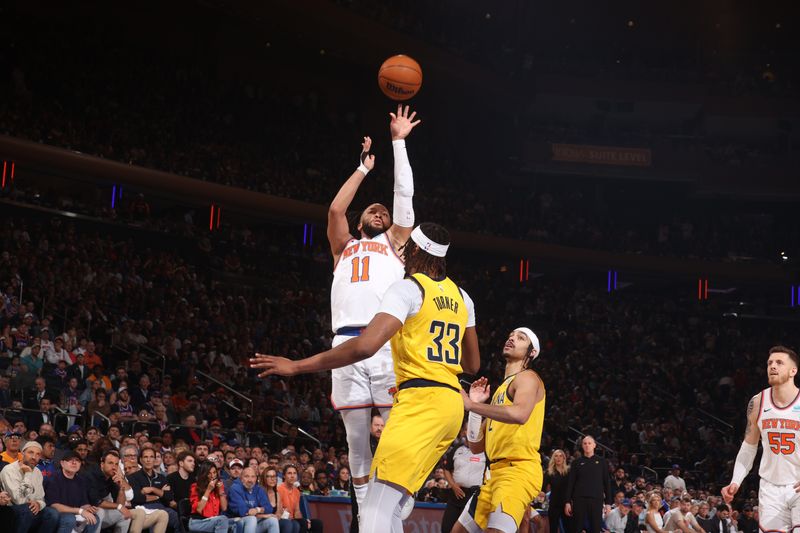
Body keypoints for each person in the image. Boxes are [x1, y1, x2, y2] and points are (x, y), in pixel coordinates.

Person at [252, 222, 480, 533]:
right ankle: (404, 496)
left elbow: (364, 346)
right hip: (451, 408)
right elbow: (472, 363)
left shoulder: (408, 288)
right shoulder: (463, 297)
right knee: (390, 510)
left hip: (419, 402)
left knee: (373, 513)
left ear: (413, 250)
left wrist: (296, 366)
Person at [324, 106, 419, 514]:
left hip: (383, 343)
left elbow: (404, 198)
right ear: (362, 220)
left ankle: (401, 493)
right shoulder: (343, 246)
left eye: (383, 211)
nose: (379, 211)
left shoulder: (395, 243)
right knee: (355, 441)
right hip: (346, 345)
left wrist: (398, 143)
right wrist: (362, 169)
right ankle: (366, 513)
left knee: (398, 429)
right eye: (372, 210)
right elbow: (334, 211)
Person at [455, 327, 546, 533]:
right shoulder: (499, 392)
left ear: (531, 352)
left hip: (518, 470)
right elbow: (476, 446)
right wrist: (476, 410)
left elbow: (520, 414)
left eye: (520, 338)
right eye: (510, 336)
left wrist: (471, 404)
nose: (512, 339)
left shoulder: (528, 378)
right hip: (493, 474)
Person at [721, 346, 800, 532]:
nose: (772, 366)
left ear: (793, 371)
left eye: (779, 362)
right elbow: (749, 447)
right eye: (770, 363)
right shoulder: (758, 402)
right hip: (770, 488)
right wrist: (736, 480)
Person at [88, 449, 169, 533]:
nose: (114, 467)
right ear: (102, 464)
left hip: (111, 511)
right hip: (89, 510)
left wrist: (121, 488)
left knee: (126, 515)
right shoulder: (92, 476)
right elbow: (97, 501)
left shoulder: (114, 477)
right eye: (110, 463)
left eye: (116, 464)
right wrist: (119, 507)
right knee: (101, 512)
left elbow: (120, 503)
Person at [0, 440, 60, 533]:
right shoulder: (9, 470)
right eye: (30, 452)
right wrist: (27, 474)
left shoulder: (37, 472)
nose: (34, 457)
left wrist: (38, 504)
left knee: (52, 514)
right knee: (27, 509)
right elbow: (19, 500)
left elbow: (41, 498)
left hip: (30, 510)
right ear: (23, 453)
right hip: (13, 511)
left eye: (38, 454)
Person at [440, 424, 486, 533]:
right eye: (467, 429)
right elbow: (446, 469)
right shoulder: (457, 449)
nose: (469, 432)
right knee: (446, 528)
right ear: (463, 432)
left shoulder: (486, 451)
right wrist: (453, 485)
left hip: (475, 496)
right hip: (456, 495)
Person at [44, 450, 102, 533]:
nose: (74, 462)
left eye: (77, 460)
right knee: (69, 519)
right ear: (62, 463)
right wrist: (80, 511)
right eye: (70, 460)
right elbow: (55, 506)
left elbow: (83, 503)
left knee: (94, 518)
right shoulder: (54, 479)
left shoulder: (81, 481)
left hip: (74, 513)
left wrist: (88, 508)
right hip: (56, 514)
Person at [128, 447, 181, 531]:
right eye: (146, 457)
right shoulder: (133, 477)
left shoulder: (161, 478)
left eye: (151, 457)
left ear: (154, 459)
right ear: (141, 460)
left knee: (179, 520)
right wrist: (160, 494)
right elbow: (136, 498)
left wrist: (153, 489)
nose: (148, 460)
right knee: (157, 518)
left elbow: (169, 496)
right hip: (142, 508)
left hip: (161, 507)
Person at [228, 466, 279, 533]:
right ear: (241, 478)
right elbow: (242, 511)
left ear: (256, 478)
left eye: (253, 477)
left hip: (253, 522)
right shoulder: (235, 488)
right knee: (252, 519)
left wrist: (258, 510)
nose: (250, 480)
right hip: (236, 522)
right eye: (246, 476)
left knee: (273, 520)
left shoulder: (258, 489)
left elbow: (269, 508)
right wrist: (262, 515)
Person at [189, 461, 230, 533]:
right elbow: (199, 509)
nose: (212, 476)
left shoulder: (218, 487)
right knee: (222, 519)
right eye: (209, 473)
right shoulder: (195, 487)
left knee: (237, 523)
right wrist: (208, 490)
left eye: (214, 473)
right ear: (204, 474)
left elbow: (224, 508)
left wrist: (220, 491)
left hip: (214, 521)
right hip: (198, 522)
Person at [544, 449, 572, 533]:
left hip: (567, 504)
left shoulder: (569, 471)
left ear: (564, 458)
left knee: (569, 529)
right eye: (556, 456)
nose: (558, 458)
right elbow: (542, 487)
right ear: (553, 458)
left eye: (560, 456)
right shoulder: (549, 472)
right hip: (554, 504)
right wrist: (542, 493)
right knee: (553, 529)